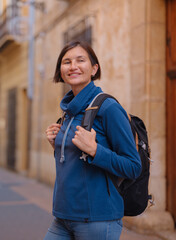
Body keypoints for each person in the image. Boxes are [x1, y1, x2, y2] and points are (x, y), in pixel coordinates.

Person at [44, 41, 141, 240]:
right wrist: (58, 145)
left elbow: (133, 166)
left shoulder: (108, 108)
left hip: (97, 220)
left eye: (81, 60)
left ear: (94, 68)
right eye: (66, 62)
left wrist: (95, 150)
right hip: (63, 216)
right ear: (60, 70)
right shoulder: (69, 111)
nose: (73, 66)